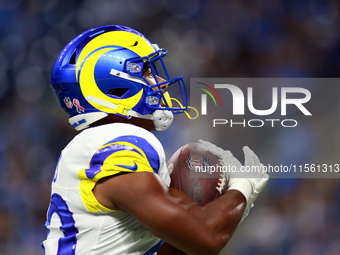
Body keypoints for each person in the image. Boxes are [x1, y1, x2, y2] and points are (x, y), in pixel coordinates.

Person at [41, 25, 269, 255]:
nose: (160, 81)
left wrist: (231, 203)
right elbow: (206, 237)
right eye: (146, 71)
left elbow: (182, 245)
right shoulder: (117, 144)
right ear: (114, 87)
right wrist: (244, 185)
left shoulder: (96, 145)